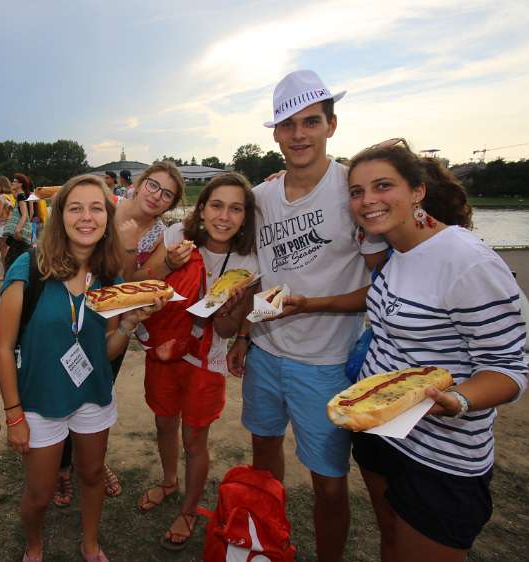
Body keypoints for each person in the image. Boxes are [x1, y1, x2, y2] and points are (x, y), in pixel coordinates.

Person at [286, 140, 526, 561]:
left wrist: (458, 400)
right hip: (383, 431)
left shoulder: (466, 261)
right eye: (357, 192)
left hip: (439, 452)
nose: (367, 200)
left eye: (383, 186)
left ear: (417, 191)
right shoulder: (397, 252)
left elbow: (509, 367)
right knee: (391, 536)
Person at [226, 69, 388, 562]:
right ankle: (267, 546)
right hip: (267, 354)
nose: (299, 134)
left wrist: (312, 304)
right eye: (288, 124)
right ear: (275, 133)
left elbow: (382, 289)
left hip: (326, 362)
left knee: (331, 485)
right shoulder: (260, 197)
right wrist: (243, 337)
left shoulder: (353, 192)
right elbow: (258, 273)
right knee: (263, 462)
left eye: (311, 122)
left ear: (331, 126)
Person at [0, 174, 164, 562]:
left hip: (92, 397)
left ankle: (90, 543)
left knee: (91, 476)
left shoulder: (109, 276)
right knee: (38, 495)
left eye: (95, 209)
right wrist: (14, 414)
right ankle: (34, 546)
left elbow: (104, 352)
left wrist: (128, 323)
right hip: (39, 401)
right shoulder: (29, 268)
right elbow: (3, 348)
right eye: (75, 208)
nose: (86, 217)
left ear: (107, 217)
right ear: (60, 216)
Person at [50, 160, 187, 509]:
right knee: (65, 383)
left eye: (168, 195)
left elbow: (132, 280)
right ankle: (62, 467)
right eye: (154, 186)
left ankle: (91, 460)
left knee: (99, 387)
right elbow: (78, 257)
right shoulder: (103, 207)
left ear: (172, 204)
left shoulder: (157, 233)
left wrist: (161, 263)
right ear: (140, 183)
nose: (157, 197)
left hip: (113, 321)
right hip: (71, 312)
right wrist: (123, 245)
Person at [137, 173, 258, 550]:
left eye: (236, 208)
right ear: (202, 208)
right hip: (163, 348)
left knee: (194, 440)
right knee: (162, 422)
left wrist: (229, 308)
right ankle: (169, 481)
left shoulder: (247, 261)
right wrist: (169, 266)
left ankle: (189, 509)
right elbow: (143, 282)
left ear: (245, 216)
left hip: (206, 361)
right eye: (217, 205)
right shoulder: (175, 237)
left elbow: (224, 329)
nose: (224, 216)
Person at [3, 173, 34, 272]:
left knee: (10, 259)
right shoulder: (21, 195)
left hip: (19, 232)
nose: (12, 183)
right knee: (20, 257)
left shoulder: (21, 196)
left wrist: (18, 229)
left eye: (14, 181)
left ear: (20, 184)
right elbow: (29, 213)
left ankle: (8, 284)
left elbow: (24, 214)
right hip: (22, 232)